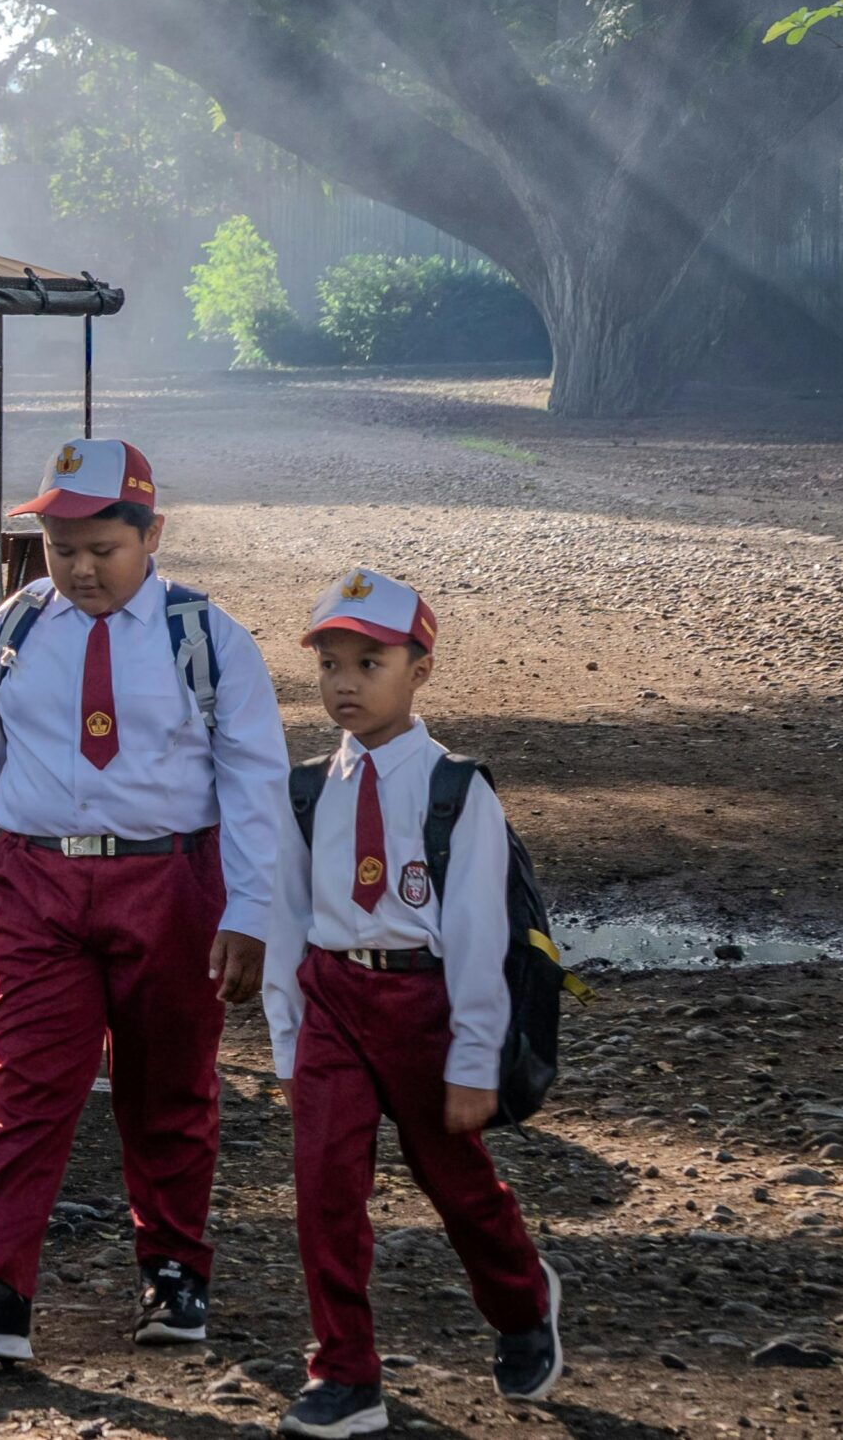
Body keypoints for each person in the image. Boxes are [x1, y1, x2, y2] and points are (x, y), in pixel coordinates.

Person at [0, 438, 291, 1364]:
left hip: (171, 885)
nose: (80, 567)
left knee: (169, 1085)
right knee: (26, 1083)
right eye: (61, 546)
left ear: (151, 533)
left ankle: (173, 1276)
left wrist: (251, 911)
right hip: (36, 883)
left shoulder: (205, 637)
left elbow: (254, 780)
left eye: (103, 548)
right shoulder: (12, 632)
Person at [263, 568, 561, 1438]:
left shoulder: (458, 791)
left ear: (420, 669)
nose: (344, 683)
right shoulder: (307, 788)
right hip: (330, 1000)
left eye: (369, 661)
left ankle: (523, 1300)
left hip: (422, 1007)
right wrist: (286, 1041)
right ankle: (345, 1373)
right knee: (323, 1189)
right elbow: (286, 922)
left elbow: (475, 934)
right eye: (329, 664)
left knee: (456, 1183)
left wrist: (474, 1061)